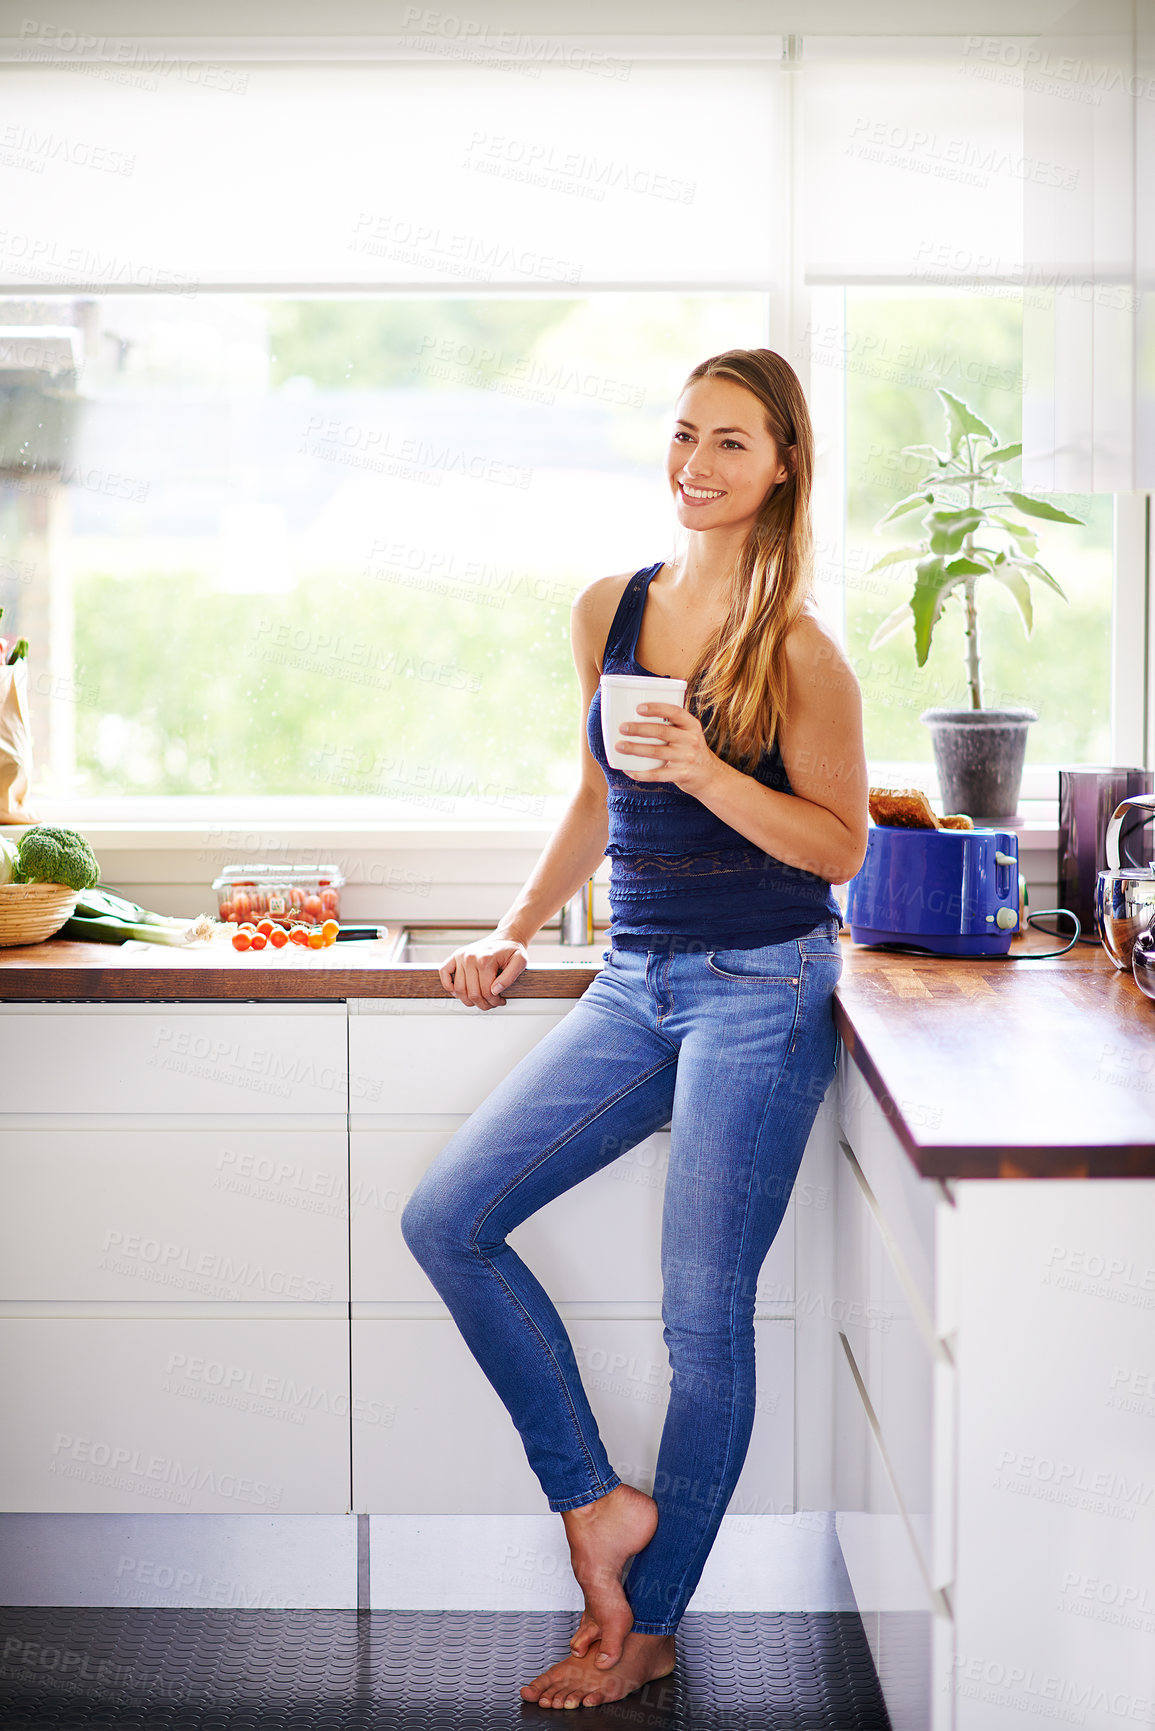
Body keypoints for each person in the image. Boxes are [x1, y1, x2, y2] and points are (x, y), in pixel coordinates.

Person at [401, 347, 868, 1710]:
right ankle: (595, 1504)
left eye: (732, 443)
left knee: (700, 1326)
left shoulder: (793, 650)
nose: (696, 465)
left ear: (783, 467)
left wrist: (714, 770)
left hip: (763, 989)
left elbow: (837, 848)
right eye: (683, 436)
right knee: (449, 1217)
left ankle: (649, 1625)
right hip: (634, 979)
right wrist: (512, 924)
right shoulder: (611, 609)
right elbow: (599, 799)